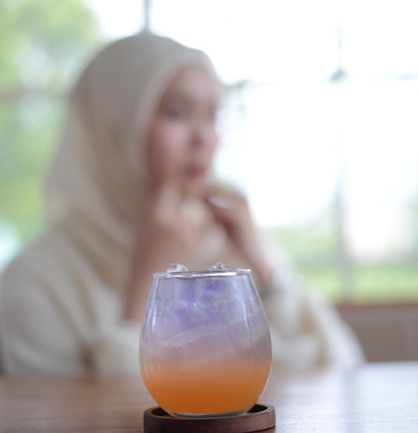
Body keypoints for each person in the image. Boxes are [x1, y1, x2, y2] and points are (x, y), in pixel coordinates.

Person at [0, 31, 364, 375]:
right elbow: (92, 431)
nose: (204, 137)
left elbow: (343, 367)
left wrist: (265, 274)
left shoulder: (229, 240)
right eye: (177, 113)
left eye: (211, 115)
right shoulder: (33, 286)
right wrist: (146, 284)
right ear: (113, 129)